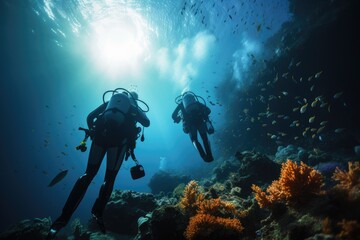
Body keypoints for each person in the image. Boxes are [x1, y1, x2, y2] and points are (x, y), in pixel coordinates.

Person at [47, 88, 150, 239]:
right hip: (119, 144)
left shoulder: (111, 103)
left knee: (88, 174)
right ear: (134, 99)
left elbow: (90, 117)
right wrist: (135, 111)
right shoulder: (133, 107)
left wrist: (94, 131)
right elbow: (146, 123)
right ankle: (98, 213)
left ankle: (62, 219)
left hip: (99, 139)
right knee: (109, 179)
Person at [172, 91, 214, 162]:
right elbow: (208, 110)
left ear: (182, 98)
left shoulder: (181, 104)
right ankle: (210, 156)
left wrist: (177, 119)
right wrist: (205, 117)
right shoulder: (196, 103)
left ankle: (204, 157)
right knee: (205, 138)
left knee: (194, 140)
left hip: (190, 125)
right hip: (200, 121)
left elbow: (173, 115)